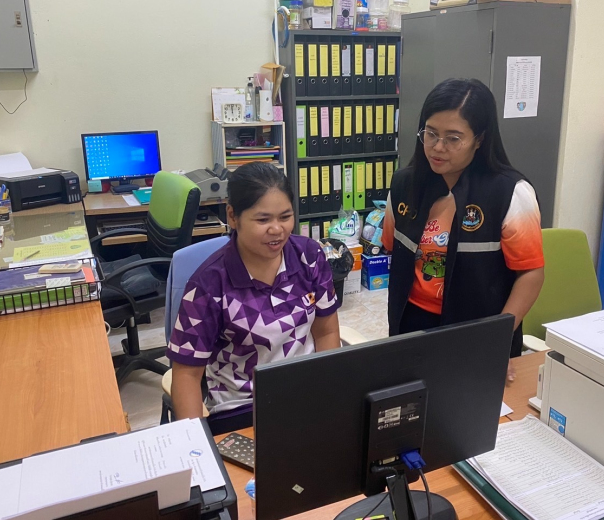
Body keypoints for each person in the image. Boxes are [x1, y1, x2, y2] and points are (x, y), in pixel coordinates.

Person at [381, 78, 544, 382]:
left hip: (478, 330)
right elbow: (393, 247)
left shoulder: (510, 192)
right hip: (410, 323)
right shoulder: (404, 184)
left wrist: (498, 335)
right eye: (430, 133)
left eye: (453, 138)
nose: (437, 147)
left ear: (479, 139)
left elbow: (531, 273)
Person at [167, 162, 341, 432]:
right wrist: (196, 444)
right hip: (241, 411)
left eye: (285, 216)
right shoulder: (208, 284)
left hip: (305, 399)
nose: (277, 229)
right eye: (263, 220)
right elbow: (187, 375)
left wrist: (330, 397)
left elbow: (326, 332)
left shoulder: (309, 256)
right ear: (233, 216)